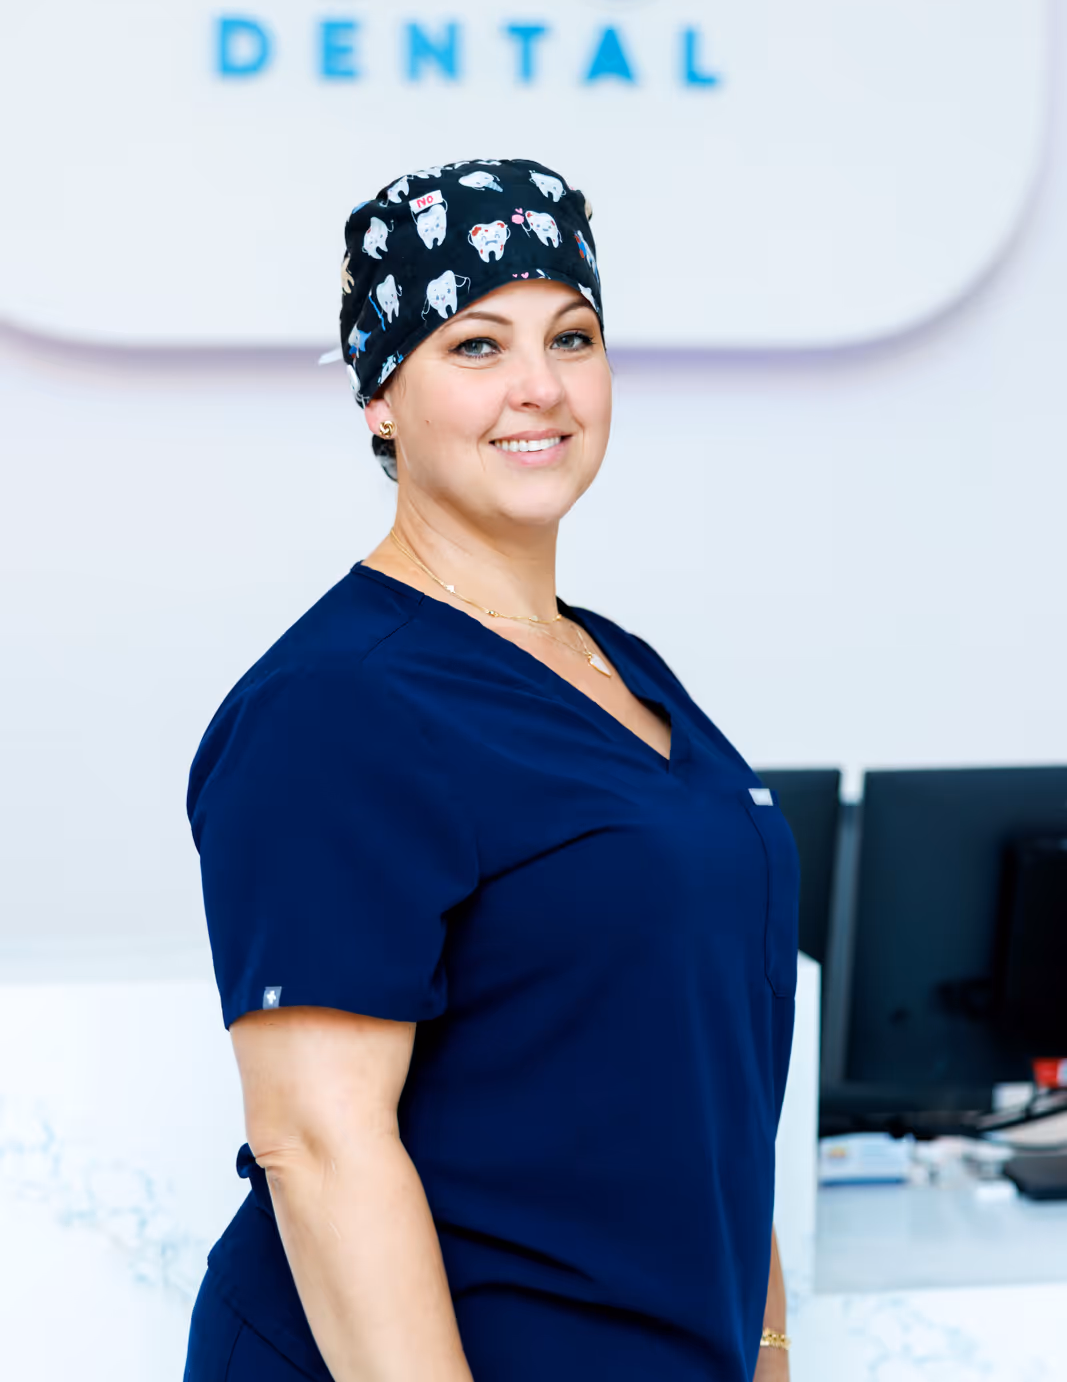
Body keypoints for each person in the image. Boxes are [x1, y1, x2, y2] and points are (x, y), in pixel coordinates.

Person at [183, 158, 799, 1382]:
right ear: (379, 397)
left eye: (572, 336)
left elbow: (707, 1075)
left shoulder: (620, 666)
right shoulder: (335, 704)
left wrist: (767, 1345)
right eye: (474, 345)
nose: (539, 387)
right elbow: (317, 1138)